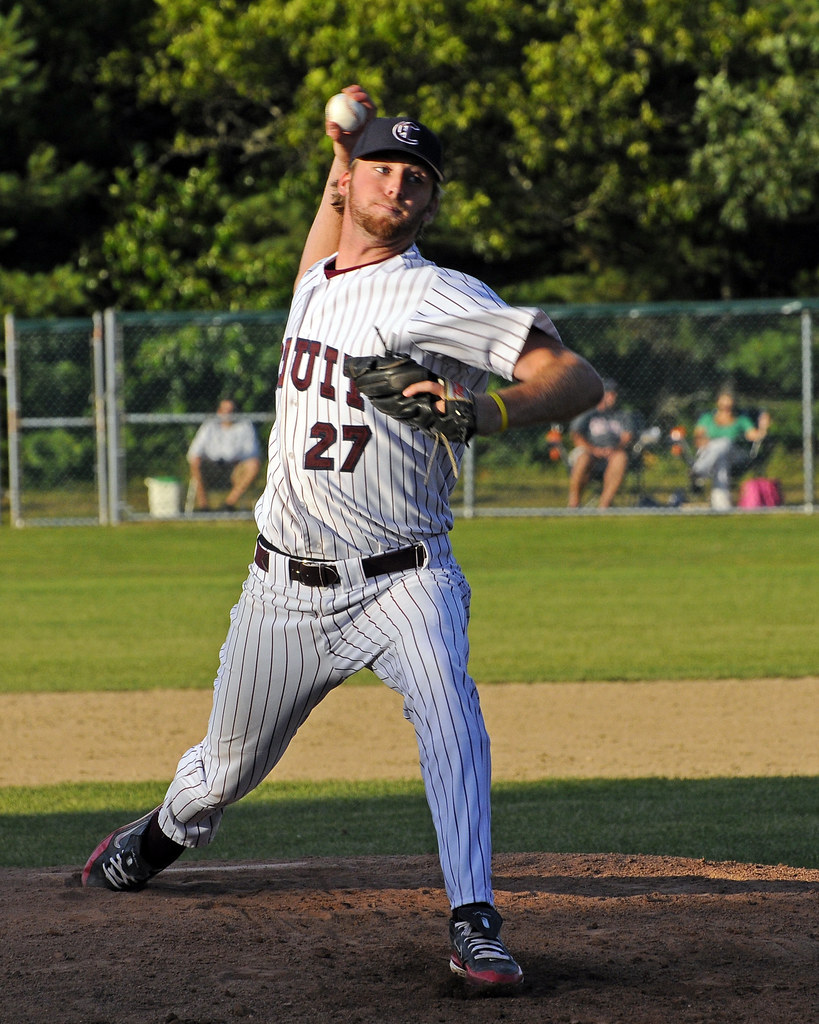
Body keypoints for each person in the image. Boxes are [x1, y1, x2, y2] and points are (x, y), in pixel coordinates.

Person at [82, 85, 603, 992]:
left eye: (417, 177)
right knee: (223, 770)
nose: (398, 183)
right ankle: (161, 833)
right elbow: (330, 216)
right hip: (282, 590)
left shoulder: (439, 292)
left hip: (405, 576)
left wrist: (485, 410)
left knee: (451, 714)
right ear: (352, 181)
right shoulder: (315, 281)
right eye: (383, 167)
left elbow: (575, 375)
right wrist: (336, 141)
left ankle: (473, 918)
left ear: (429, 203)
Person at [690, 388, 771, 509]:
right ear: (718, 403)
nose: (726, 408)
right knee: (721, 461)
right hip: (711, 454)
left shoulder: (741, 420)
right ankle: (722, 507)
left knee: (724, 443)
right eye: (723, 405)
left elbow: (754, 436)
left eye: (729, 405)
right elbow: (698, 438)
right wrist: (704, 441)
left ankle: (698, 472)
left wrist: (763, 427)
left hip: (736, 454)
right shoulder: (707, 418)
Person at [566, 378, 635, 508]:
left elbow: (628, 437)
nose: (613, 397)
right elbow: (576, 436)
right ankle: (574, 504)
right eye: (609, 393)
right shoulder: (588, 412)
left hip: (613, 453)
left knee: (621, 458)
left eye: (615, 393)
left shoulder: (623, 414)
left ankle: (604, 505)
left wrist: (615, 449)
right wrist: (593, 449)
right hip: (589, 451)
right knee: (583, 458)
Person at [187, 398, 261, 511]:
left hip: (234, 469)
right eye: (224, 410)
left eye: (231, 410)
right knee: (195, 462)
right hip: (211, 468)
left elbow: (252, 454)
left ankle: (228, 505)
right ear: (218, 411)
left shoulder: (245, 426)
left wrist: (239, 462)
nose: (227, 414)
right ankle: (203, 507)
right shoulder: (209, 426)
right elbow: (194, 452)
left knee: (253, 465)